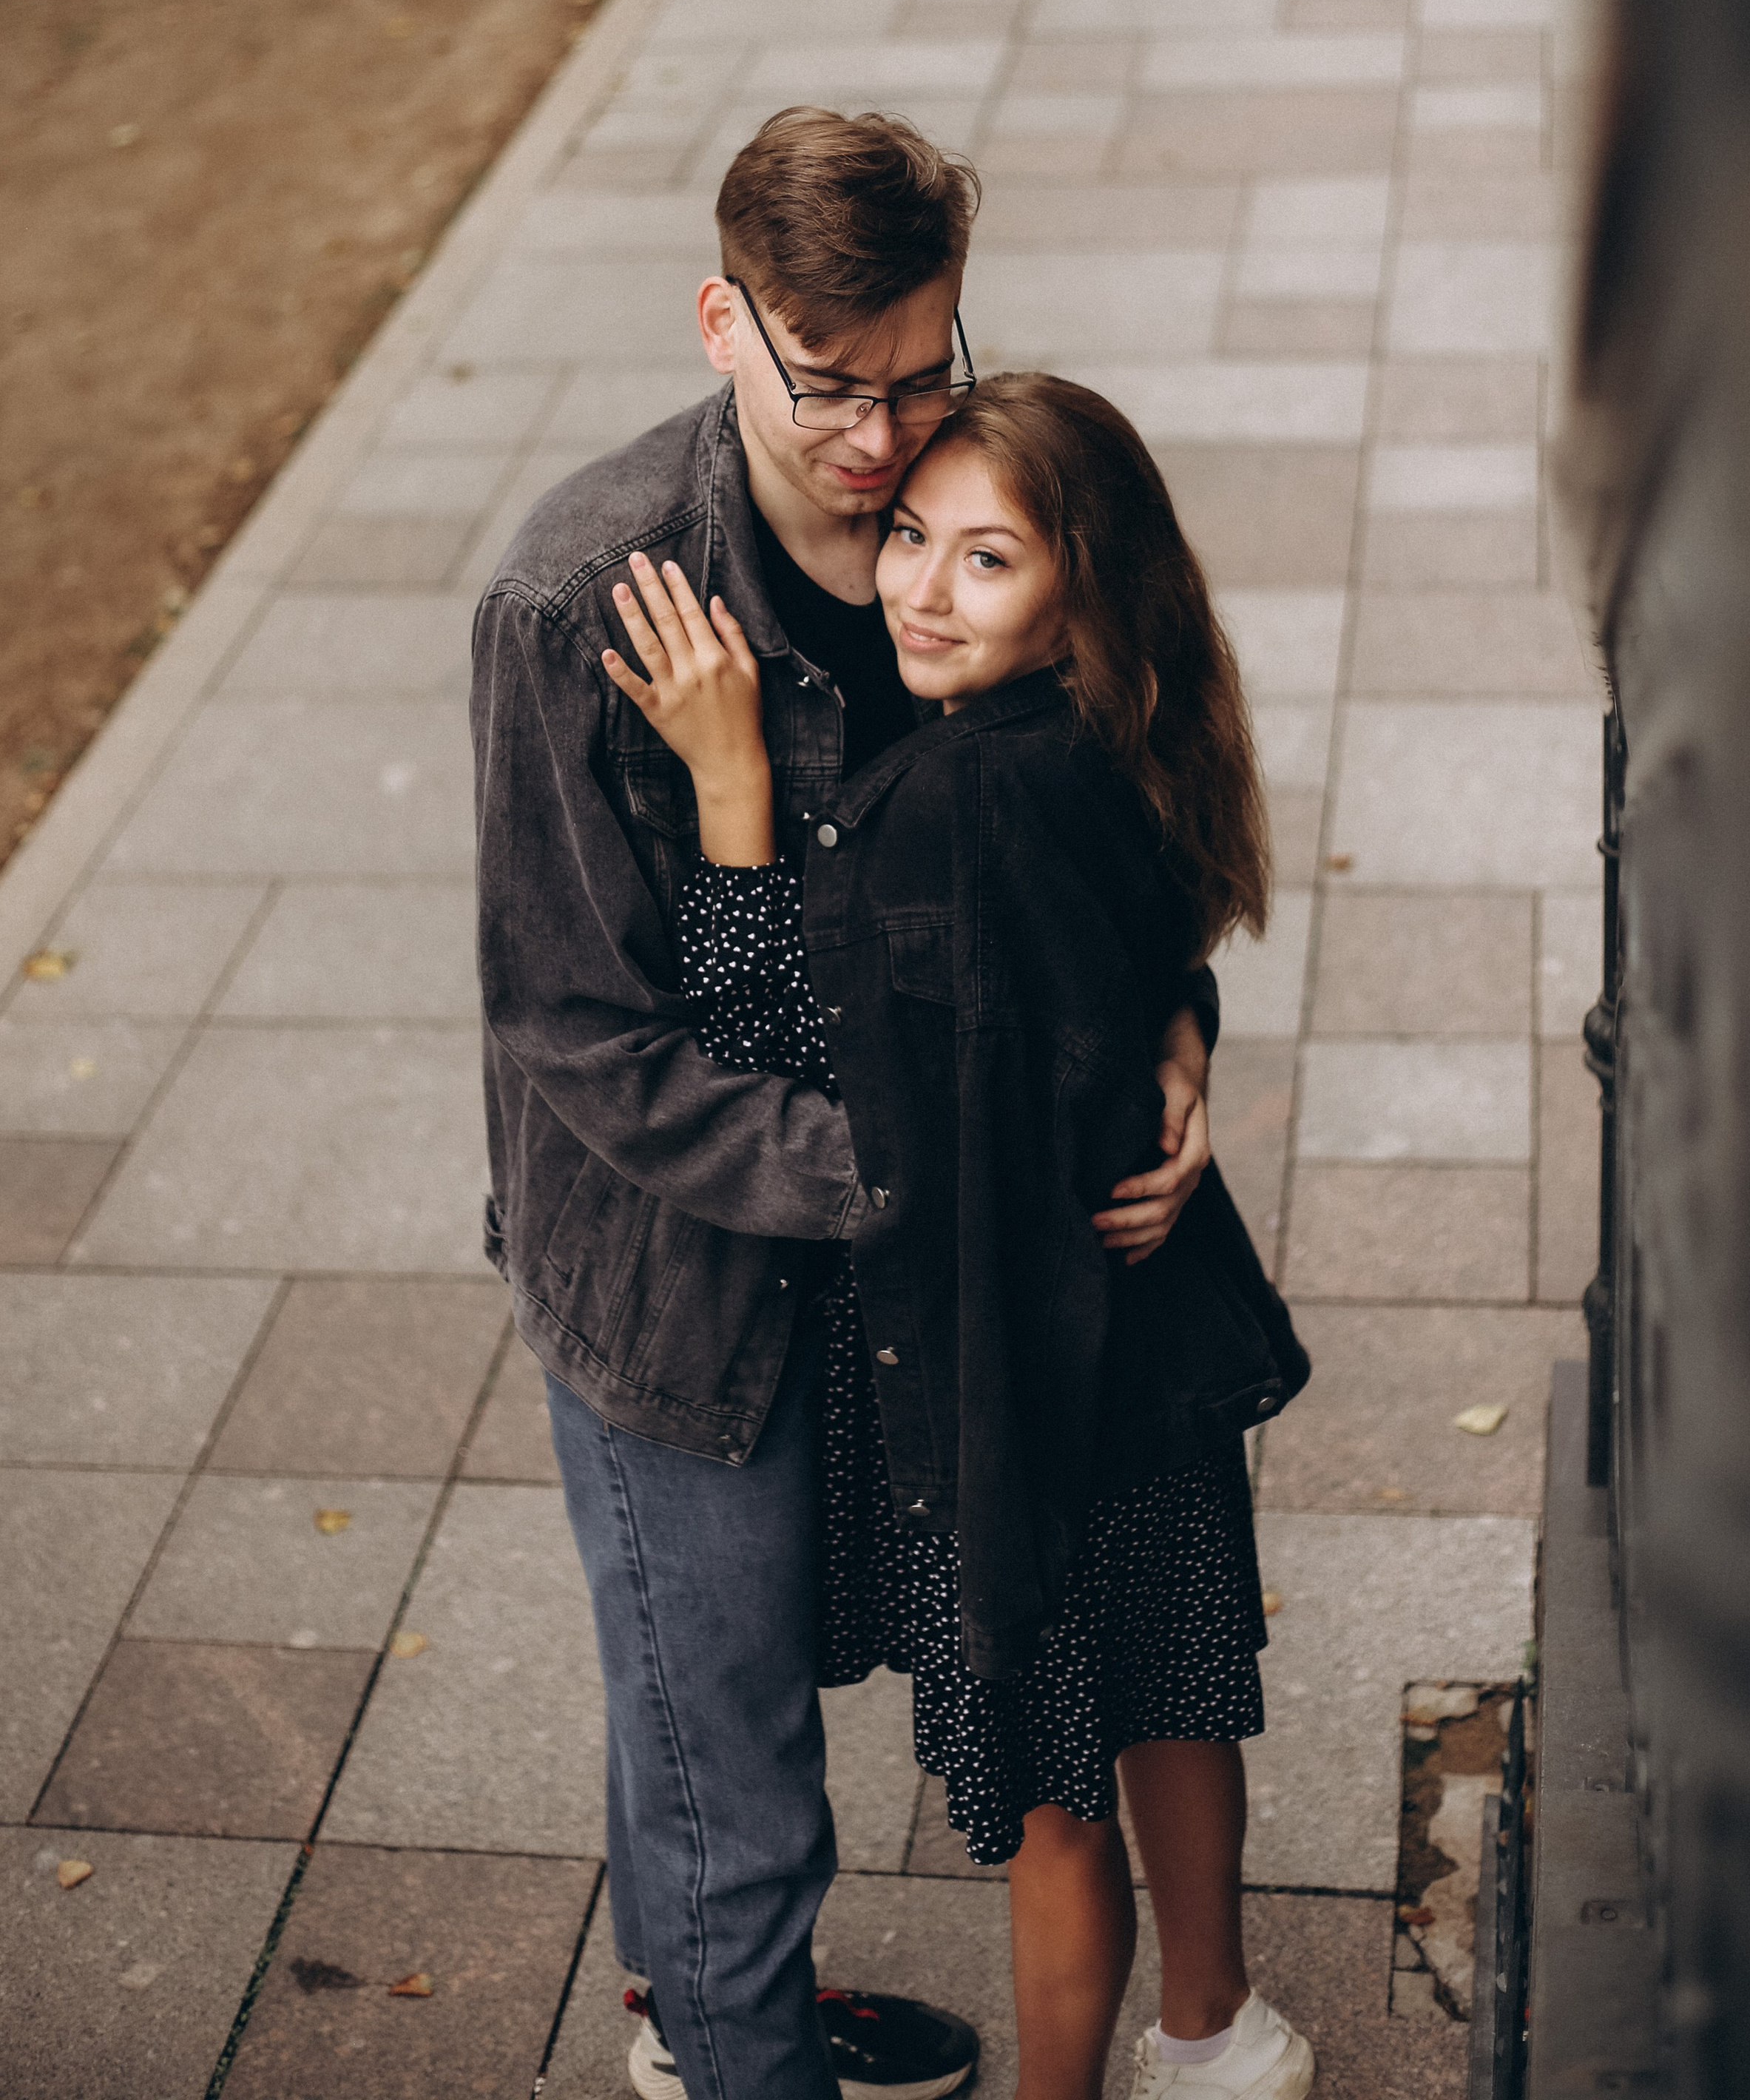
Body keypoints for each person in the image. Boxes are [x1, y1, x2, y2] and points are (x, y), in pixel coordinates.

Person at [470, 110, 1221, 2100]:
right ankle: (736, 2038)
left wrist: (1171, 1035)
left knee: (711, 1711)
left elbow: (1091, 826)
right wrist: (944, 1185)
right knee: (737, 1768)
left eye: (923, 373)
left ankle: (707, 2016)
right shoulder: (579, 600)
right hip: (678, 1293)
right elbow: (584, 1031)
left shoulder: (961, 532)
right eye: (831, 390)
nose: (884, 444)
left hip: (899, 1256)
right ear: (720, 322)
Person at [599, 372, 1315, 2100]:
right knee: (1173, 1690)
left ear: (1078, 589)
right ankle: (1220, 2037)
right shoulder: (1119, 741)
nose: (917, 587)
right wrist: (1180, 1034)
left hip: (1007, 1373)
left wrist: (728, 788)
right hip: (1134, 1351)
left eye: (983, 560)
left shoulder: (943, 809)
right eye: (911, 537)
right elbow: (1131, 966)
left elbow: (795, 1065)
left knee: (1050, 1792)